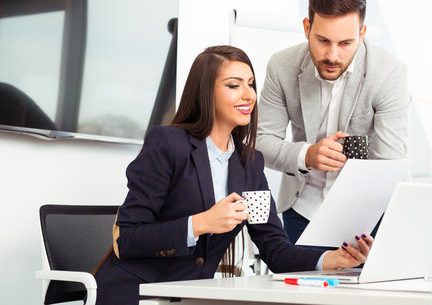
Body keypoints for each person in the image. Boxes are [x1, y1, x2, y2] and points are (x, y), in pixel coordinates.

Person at [93, 45, 373, 305]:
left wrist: (332, 258)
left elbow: (275, 249)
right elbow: (127, 239)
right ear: (206, 92)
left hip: (189, 295)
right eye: (233, 85)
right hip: (135, 293)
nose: (248, 95)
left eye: (250, 84)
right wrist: (200, 223)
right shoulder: (168, 143)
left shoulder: (249, 164)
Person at [256, 0, 410, 243]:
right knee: (301, 284)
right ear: (307, 28)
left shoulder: (388, 74)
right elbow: (260, 142)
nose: (333, 55)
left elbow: (389, 163)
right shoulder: (281, 66)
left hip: (365, 215)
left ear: (362, 34)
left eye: (346, 42)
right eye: (323, 40)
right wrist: (308, 154)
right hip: (301, 209)